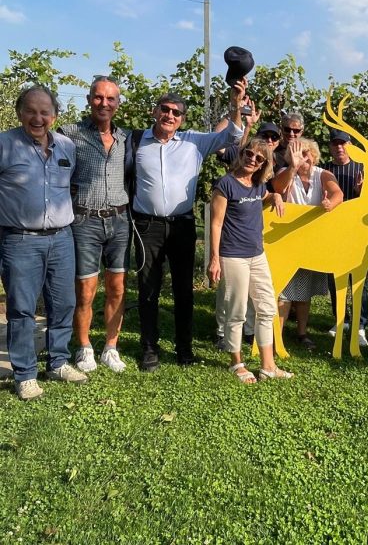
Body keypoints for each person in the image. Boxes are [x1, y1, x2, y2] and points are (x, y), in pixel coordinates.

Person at [129, 87, 244, 371]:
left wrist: (235, 106)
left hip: (182, 225)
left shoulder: (194, 142)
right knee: (148, 288)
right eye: (165, 110)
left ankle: (184, 349)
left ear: (182, 119)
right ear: (155, 112)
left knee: (183, 291)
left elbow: (233, 137)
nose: (170, 115)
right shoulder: (135, 141)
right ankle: (149, 349)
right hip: (147, 226)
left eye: (176, 113)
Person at [0, 85, 88, 400]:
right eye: (31, 111)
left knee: (63, 303)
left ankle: (59, 361)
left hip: (62, 239)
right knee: (22, 309)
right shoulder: (5, 144)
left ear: (55, 114)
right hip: (20, 240)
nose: (38, 118)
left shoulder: (66, 146)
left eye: (44, 112)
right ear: (19, 113)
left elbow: (70, 185)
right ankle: (25, 374)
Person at [59, 76, 130, 373]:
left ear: (117, 103)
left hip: (119, 221)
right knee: (86, 290)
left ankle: (110, 347)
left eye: (110, 98)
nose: (104, 103)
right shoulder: (69, 134)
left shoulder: (127, 138)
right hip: (84, 221)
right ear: (89, 99)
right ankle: (85, 346)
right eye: (98, 97)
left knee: (117, 288)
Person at [208, 138, 293, 382]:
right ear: (242, 153)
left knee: (267, 308)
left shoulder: (257, 185)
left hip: (257, 254)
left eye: (259, 158)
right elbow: (216, 223)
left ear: (263, 165)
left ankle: (268, 366)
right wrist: (214, 259)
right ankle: (237, 363)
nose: (252, 159)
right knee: (236, 311)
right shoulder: (225, 184)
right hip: (233, 255)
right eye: (249, 153)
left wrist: (275, 197)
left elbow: (265, 195)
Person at [271, 138, 343, 349]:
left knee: (304, 291)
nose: (306, 158)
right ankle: (277, 336)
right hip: (288, 240)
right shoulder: (286, 173)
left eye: (308, 153)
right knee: (284, 292)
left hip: (313, 242)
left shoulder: (323, 174)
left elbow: (338, 193)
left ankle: (302, 333)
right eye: (301, 154)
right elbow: (277, 186)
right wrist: (292, 167)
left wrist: (331, 204)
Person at [322, 128, 368, 347]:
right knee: (335, 281)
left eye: (343, 143)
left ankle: (360, 326)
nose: (339, 147)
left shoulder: (363, 169)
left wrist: (363, 192)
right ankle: (341, 320)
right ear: (331, 147)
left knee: (358, 282)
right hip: (333, 235)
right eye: (335, 144)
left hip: (357, 235)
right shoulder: (325, 171)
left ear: (350, 146)